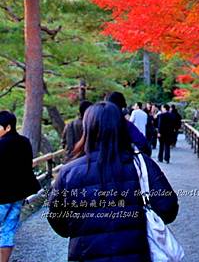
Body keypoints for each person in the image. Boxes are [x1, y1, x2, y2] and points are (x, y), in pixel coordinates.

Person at [47, 102, 179, 262]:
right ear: (121, 126)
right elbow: (168, 207)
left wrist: (79, 227)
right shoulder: (141, 164)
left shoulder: (69, 172)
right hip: (135, 253)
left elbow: (57, 219)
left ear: (87, 129)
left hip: (86, 254)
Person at [0, 111, 40, 262]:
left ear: (8, 127)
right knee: (8, 230)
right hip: (18, 195)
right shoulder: (25, 141)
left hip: (1, 196)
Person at [105, 92, 151, 156]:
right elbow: (144, 145)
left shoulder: (95, 123)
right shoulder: (125, 124)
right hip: (122, 161)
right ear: (122, 107)